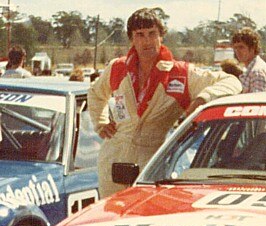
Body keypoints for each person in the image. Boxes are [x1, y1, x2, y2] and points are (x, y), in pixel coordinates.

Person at [88, 8, 242, 197]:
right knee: (111, 216)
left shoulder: (180, 72)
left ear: (161, 36)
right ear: (132, 39)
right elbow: (95, 93)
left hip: (153, 161)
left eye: (152, 34)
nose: (147, 41)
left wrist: (203, 98)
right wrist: (101, 123)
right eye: (140, 35)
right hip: (113, 160)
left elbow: (232, 82)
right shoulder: (118, 67)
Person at [231, 27, 266, 93]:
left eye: (241, 47)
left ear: (252, 48)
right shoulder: (250, 69)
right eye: (235, 48)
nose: (237, 51)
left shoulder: (257, 72)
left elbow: (257, 101)